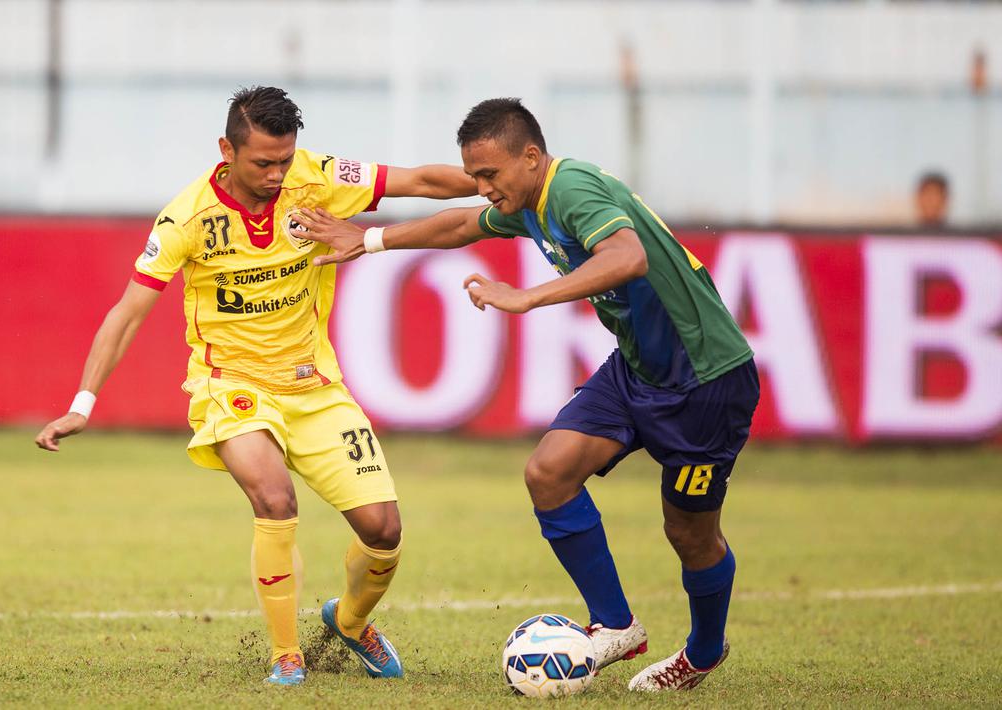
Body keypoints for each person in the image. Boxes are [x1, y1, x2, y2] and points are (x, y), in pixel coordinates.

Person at [292, 98, 759, 692]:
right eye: (476, 175)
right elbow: (459, 224)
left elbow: (628, 256)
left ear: (531, 157)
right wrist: (372, 239)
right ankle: (617, 625)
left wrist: (528, 296)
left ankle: (703, 650)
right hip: (637, 371)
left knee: (689, 533)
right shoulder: (529, 202)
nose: (482, 187)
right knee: (549, 473)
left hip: (706, 380)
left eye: (490, 174)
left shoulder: (570, 190)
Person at [34, 86, 476, 686]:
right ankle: (287, 655)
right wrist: (82, 404)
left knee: (384, 532)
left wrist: (502, 185)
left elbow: (422, 181)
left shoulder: (317, 176)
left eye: (283, 160)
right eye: (261, 162)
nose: (275, 174)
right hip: (230, 386)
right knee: (274, 501)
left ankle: (348, 622)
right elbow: (127, 312)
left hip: (315, 387)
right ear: (226, 149)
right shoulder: (187, 217)